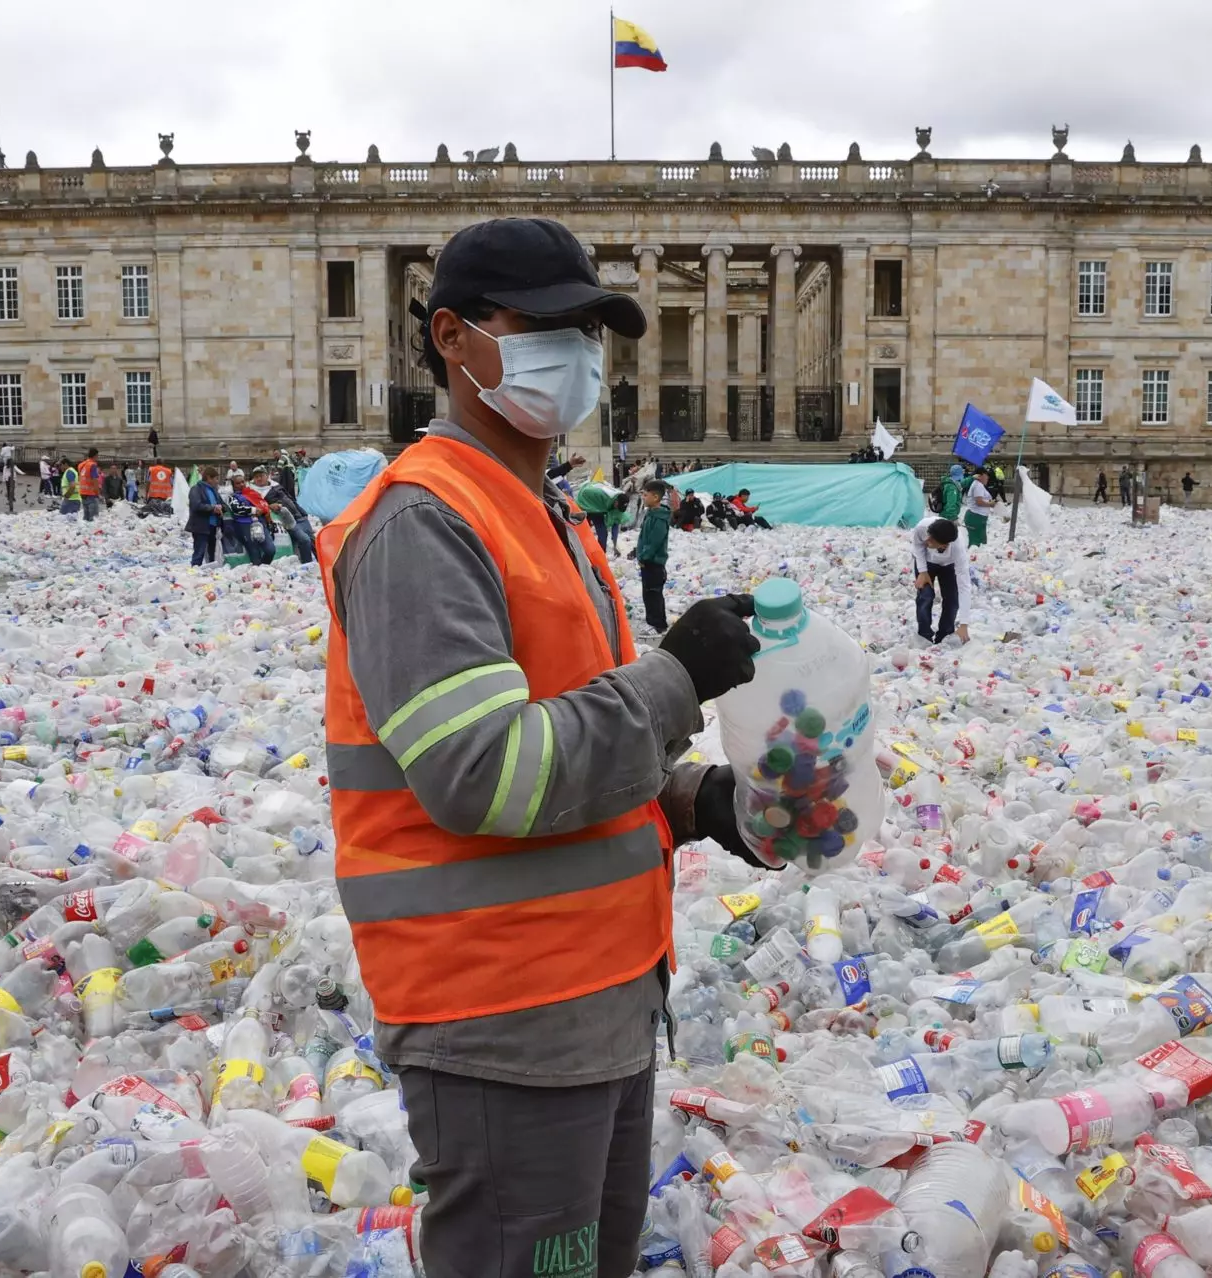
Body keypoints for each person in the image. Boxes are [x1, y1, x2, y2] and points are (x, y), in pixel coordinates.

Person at [318, 215, 765, 1278]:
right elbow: (485, 773)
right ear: (452, 340)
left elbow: (578, 751)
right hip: (500, 1018)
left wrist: (697, 802)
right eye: (544, 326)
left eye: (589, 331)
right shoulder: (426, 520)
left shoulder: (543, 513)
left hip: (596, 1000)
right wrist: (676, 676)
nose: (577, 356)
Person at [911, 517, 971, 645]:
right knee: (925, 596)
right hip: (926, 562)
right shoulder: (922, 528)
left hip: (949, 565)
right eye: (929, 536)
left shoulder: (958, 549)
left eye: (932, 540)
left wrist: (964, 624)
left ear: (944, 545)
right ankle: (924, 636)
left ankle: (944, 636)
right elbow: (918, 546)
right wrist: (922, 571)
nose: (927, 540)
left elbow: (964, 586)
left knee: (952, 599)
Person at [637, 478, 674, 633]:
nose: (643, 498)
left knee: (654, 594)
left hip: (654, 562)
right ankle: (651, 621)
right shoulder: (651, 514)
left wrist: (644, 556)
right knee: (648, 594)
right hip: (647, 562)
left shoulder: (659, 518)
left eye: (645, 495)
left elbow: (654, 542)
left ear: (655, 497)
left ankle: (658, 624)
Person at [187, 466, 225, 565]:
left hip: (213, 527)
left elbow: (223, 504)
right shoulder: (196, 489)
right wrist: (213, 508)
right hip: (201, 527)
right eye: (216, 479)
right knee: (199, 552)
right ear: (208, 478)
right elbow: (196, 505)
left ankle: (209, 574)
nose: (217, 481)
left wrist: (221, 508)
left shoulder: (214, 491)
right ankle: (194, 573)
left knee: (212, 554)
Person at [965, 467, 995, 547]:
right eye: (986, 475)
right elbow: (979, 502)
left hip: (978, 517)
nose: (988, 477)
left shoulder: (978, 485)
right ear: (980, 476)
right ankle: (973, 558)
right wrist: (991, 504)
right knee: (975, 543)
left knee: (980, 542)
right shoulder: (978, 485)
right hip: (975, 517)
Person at [76, 448, 103, 522]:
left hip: (83, 493)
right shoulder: (92, 465)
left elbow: (82, 478)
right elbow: (95, 480)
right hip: (91, 494)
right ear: (95, 455)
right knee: (93, 519)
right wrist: (98, 494)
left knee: (86, 518)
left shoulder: (81, 465)